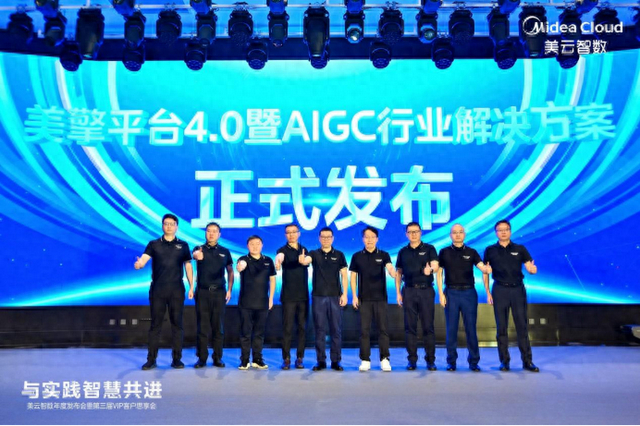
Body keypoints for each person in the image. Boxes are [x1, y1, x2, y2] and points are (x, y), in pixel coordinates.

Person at [134, 213, 194, 371]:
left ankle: (177, 359)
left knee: (177, 325)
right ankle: (151, 360)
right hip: (158, 290)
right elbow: (144, 259)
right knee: (155, 325)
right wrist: (139, 264)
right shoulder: (153, 244)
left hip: (176, 290)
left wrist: (191, 286)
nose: (169, 226)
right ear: (162, 226)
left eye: (172, 224)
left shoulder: (183, 245)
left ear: (176, 227)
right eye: (166, 223)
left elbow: (188, 266)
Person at [483, 219, 539, 372]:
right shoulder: (490, 250)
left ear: (510, 231)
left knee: (522, 326)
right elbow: (486, 272)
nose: (503, 232)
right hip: (499, 290)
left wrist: (532, 270)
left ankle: (527, 361)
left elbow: (530, 266)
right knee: (501, 327)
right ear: (496, 233)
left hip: (517, 290)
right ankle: (504, 361)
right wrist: (488, 292)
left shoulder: (520, 249)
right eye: (500, 230)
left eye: (506, 229)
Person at [437, 224, 491, 372]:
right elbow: (439, 273)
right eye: (454, 232)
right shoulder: (444, 252)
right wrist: (441, 293)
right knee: (451, 329)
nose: (458, 235)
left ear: (464, 234)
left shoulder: (471, 252)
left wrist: (486, 269)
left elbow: (481, 267)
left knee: (471, 328)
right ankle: (451, 362)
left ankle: (474, 361)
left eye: (460, 232)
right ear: (450, 235)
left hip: (469, 293)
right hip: (451, 293)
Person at [350, 226, 396, 372]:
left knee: (383, 329)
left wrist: (393, 273)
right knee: (364, 330)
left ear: (377, 239)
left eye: (372, 237)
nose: (369, 240)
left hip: (380, 298)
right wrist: (354, 296)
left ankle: (384, 359)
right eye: (366, 237)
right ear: (363, 239)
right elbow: (353, 277)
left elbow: (390, 268)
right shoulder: (357, 256)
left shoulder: (384, 255)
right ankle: (365, 359)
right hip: (364, 299)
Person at [394, 222, 439, 371]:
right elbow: (399, 273)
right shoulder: (403, 252)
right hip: (408, 291)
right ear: (406, 234)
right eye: (410, 232)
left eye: (416, 231)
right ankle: (412, 360)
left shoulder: (429, 249)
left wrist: (430, 270)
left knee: (428, 327)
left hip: (426, 291)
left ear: (421, 233)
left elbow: (435, 265)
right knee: (410, 327)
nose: (413, 234)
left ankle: (430, 360)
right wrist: (398, 293)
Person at [192, 222, 234, 369]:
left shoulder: (225, 251)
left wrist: (229, 289)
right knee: (202, 327)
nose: (211, 234)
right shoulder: (199, 248)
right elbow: (195, 255)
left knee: (218, 327)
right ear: (205, 233)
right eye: (209, 231)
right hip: (202, 292)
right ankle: (202, 358)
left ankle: (218, 357)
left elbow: (230, 270)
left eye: (214, 231)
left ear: (219, 234)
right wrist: (197, 256)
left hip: (219, 292)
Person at [308, 227, 348, 371]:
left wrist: (344, 294)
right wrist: (303, 260)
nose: (326, 239)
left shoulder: (339, 255)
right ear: (319, 238)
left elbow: (344, 275)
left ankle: (336, 361)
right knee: (320, 330)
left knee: (335, 329)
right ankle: (321, 361)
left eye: (328, 237)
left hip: (335, 296)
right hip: (318, 296)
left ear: (333, 238)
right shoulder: (314, 253)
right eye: (323, 237)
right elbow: (306, 260)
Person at [236, 235, 276, 370]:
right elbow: (239, 267)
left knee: (259, 333)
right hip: (245, 303)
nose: (255, 246)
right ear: (248, 246)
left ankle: (257, 359)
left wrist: (271, 298)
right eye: (252, 244)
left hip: (263, 302)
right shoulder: (243, 259)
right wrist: (240, 266)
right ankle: (244, 360)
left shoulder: (268, 260)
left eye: (257, 244)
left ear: (262, 245)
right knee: (245, 333)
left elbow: (272, 280)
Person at [275, 224, 311, 370]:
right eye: (288, 233)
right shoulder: (282, 250)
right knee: (287, 328)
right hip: (288, 296)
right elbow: (280, 257)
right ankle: (286, 358)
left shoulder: (304, 250)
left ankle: (300, 357)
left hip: (303, 296)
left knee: (302, 328)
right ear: (285, 235)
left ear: (298, 233)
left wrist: (304, 260)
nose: (291, 235)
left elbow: (307, 261)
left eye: (293, 232)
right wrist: (278, 261)